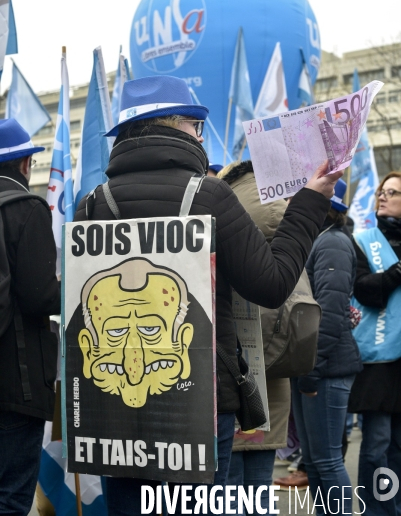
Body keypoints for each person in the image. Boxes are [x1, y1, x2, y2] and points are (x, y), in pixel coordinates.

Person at [74, 75, 343, 516]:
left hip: (113, 411)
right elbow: (271, 285)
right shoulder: (208, 195)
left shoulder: (91, 204)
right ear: (179, 127)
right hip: (197, 404)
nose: (201, 136)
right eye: (198, 126)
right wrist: (310, 203)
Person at [275, 179, 362, 515]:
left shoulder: (333, 243)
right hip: (312, 368)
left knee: (326, 460)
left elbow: (329, 314)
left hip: (324, 369)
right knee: (314, 460)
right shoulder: (319, 240)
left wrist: (310, 371)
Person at [218, 159, 291, 514]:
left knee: (228, 497)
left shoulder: (220, 222)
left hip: (232, 378)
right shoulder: (283, 225)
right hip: (275, 378)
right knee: (260, 494)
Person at [0, 119, 60, 516]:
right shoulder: (27, 209)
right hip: (15, 384)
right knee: (11, 496)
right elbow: (40, 296)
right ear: (25, 164)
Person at [349, 171, 401, 516]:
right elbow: (366, 290)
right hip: (378, 359)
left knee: (397, 447)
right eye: (382, 191)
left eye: (392, 192)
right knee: (377, 446)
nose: (383, 196)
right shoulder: (363, 239)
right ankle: (374, 510)